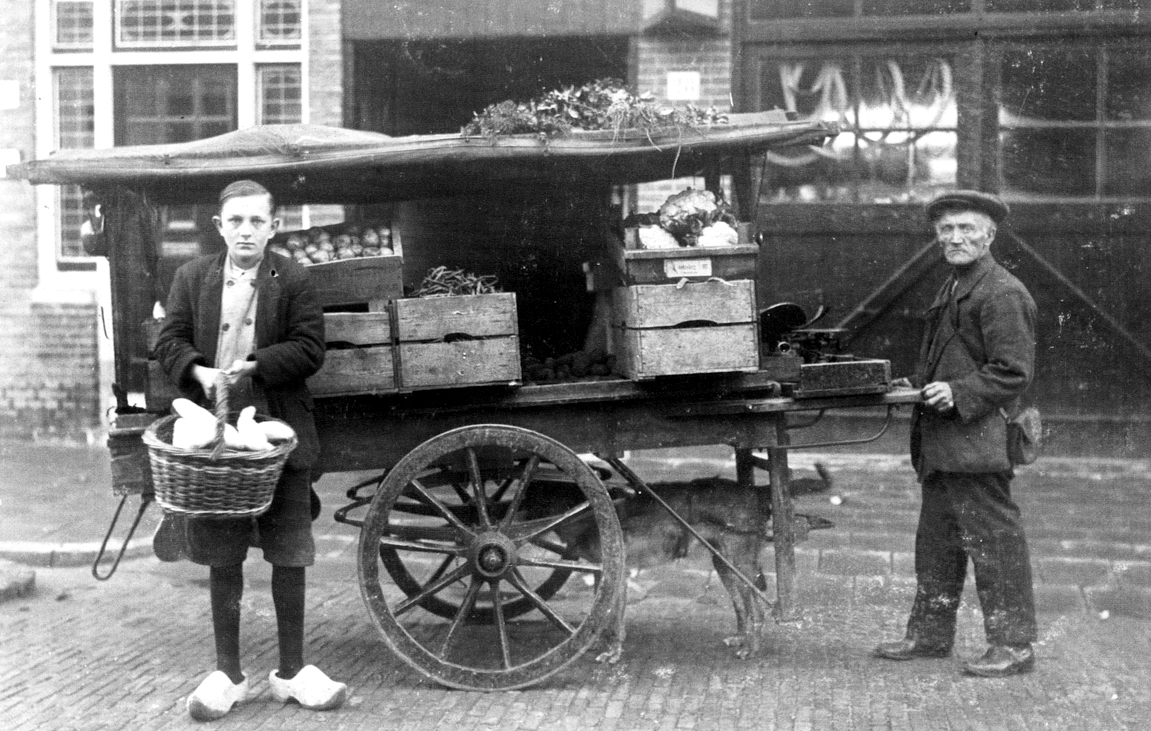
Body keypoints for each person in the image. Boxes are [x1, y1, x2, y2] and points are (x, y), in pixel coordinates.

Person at [154, 180, 347, 720]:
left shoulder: (294, 277)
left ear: (273, 226)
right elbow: (168, 339)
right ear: (219, 227)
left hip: (278, 431)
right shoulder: (192, 276)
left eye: (256, 221)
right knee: (222, 551)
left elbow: (310, 348)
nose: (245, 230)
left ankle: (291, 672)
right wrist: (200, 370)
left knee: (289, 550)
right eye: (235, 221)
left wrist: (257, 365)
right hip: (216, 437)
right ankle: (228, 673)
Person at [873, 190, 1038, 677]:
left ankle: (1015, 646)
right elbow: (952, 358)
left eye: (967, 228)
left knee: (995, 544)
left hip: (978, 443)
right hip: (946, 446)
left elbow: (1013, 372)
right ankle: (929, 635)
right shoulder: (955, 286)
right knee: (938, 544)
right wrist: (920, 385)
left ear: (990, 235)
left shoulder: (1002, 292)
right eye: (946, 229)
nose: (955, 237)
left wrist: (958, 392)